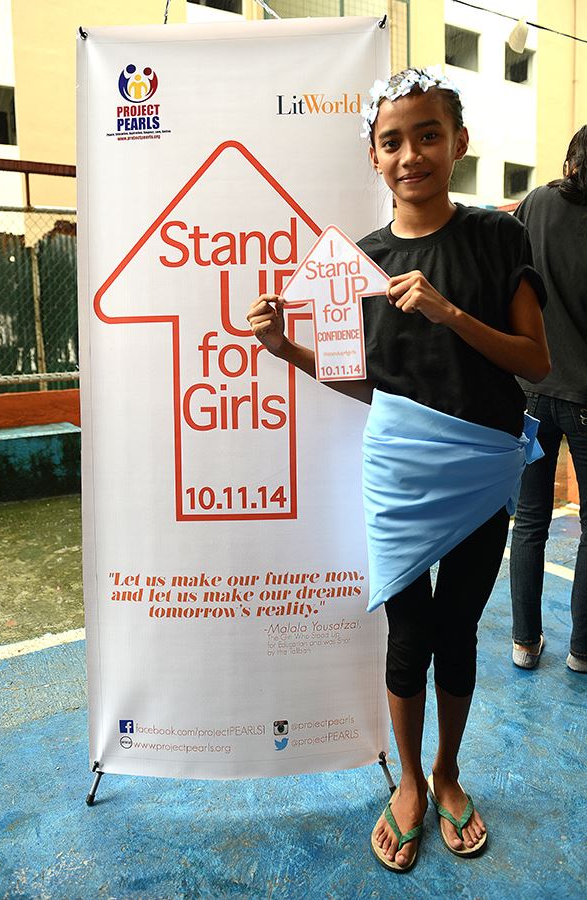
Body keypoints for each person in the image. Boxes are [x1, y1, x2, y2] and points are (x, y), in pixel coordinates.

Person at [247, 67, 550, 873]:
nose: (410, 154)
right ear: (374, 157)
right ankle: (411, 782)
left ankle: (449, 773)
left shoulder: (499, 239)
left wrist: (450, 312)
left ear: (458, 143)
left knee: (458, 631)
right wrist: (285, 349)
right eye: (392, 141)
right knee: (409, 632)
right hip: (398, 469)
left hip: (483, 464)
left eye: (427, 135)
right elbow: (362, 382)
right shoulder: (360, 262)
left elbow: (536, 361)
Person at [509, 127, 587, 674]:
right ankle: (582, 650)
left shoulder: (535, 204)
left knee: (530, 520)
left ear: (568, 164)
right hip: (584, 396)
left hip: (530, 390)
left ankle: (524, 641)